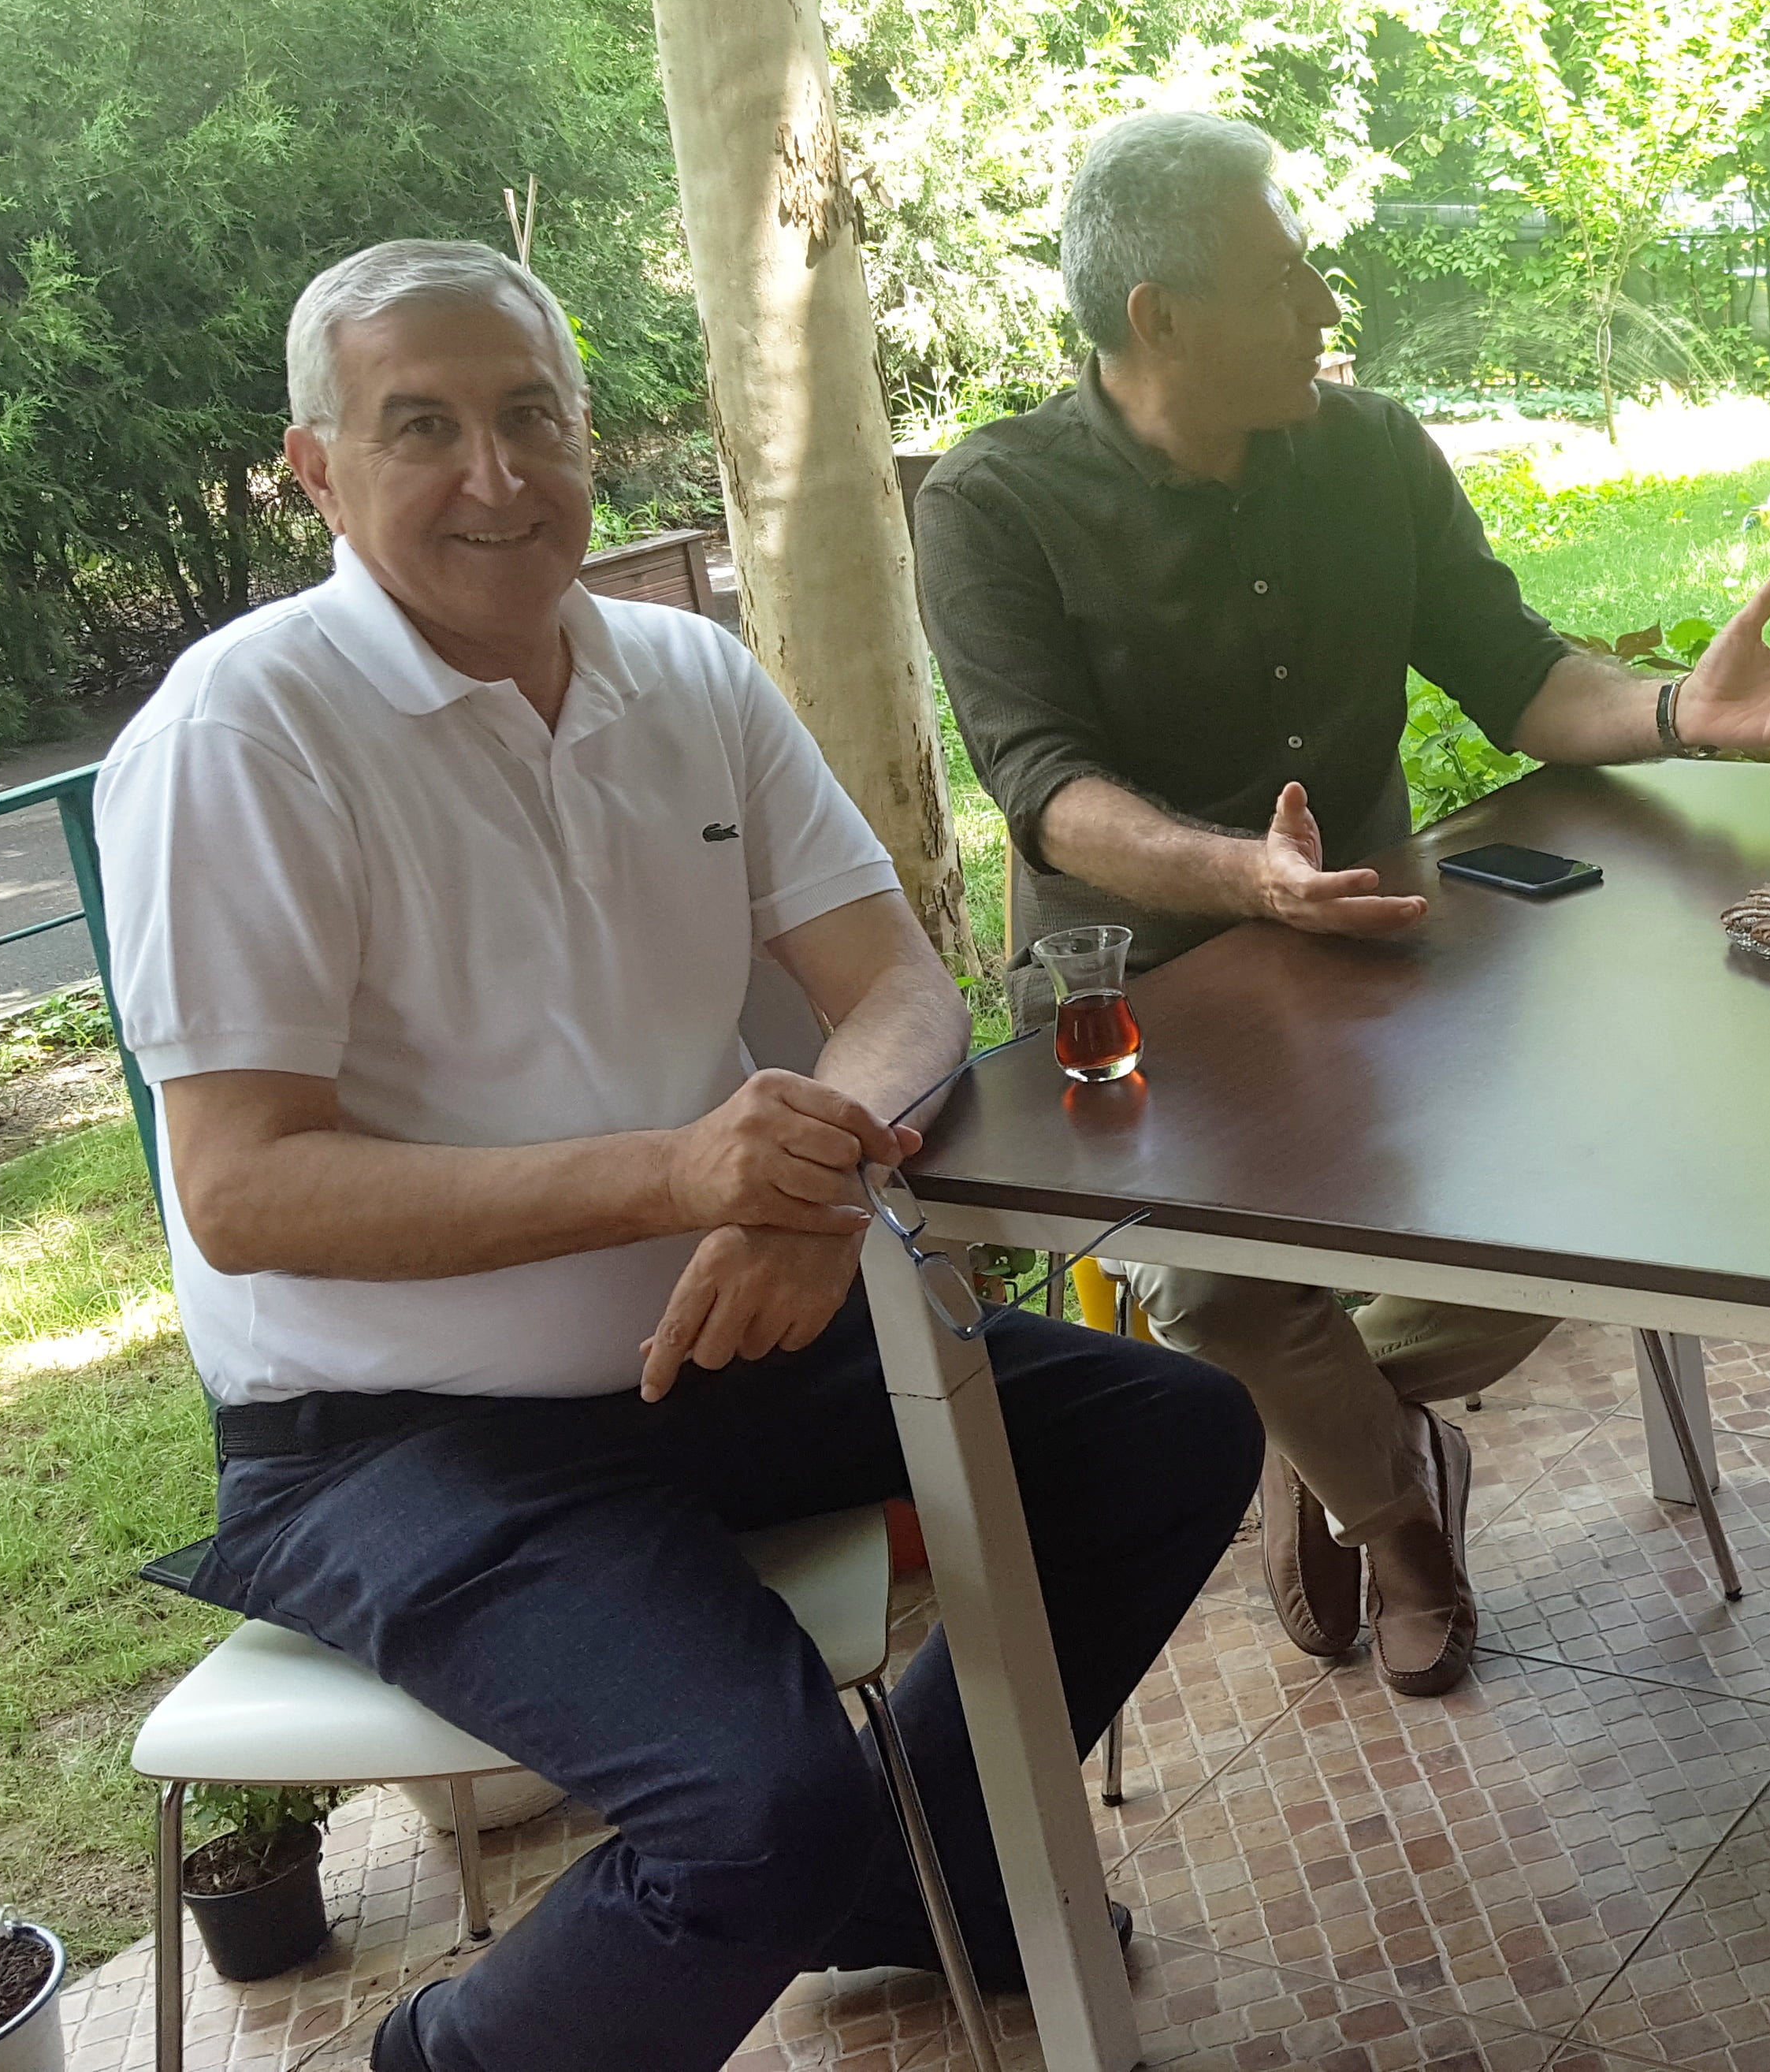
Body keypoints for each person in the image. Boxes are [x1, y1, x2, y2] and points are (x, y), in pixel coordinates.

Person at [99, 240, 1262, 2072]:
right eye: (422, 427)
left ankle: (911, 1876)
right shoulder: (243, 734)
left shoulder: (686, 675)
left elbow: (896, 989)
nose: (496, 473)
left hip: (728, 1346)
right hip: (397, 1434)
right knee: (757, 1808)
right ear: (317, 470)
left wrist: (820, 1179)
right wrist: (681, 1176)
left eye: (532, 414)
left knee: (1165, 1435)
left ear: (587, 433)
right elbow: (243, 1191)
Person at [914, 110, 1770, 1698]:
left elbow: (1513, 676)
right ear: (1161, 317)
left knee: (1586, 1186)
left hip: (1378, 955)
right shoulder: (993, 502)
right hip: (1145, 996)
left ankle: (1319, 1433)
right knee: (1218, 1287)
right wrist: (1244, 878)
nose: (1325, 305)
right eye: (1283, 276)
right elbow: (1045, 791)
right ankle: (1393, 1517)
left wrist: (1681, 715)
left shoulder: (1370, 452)